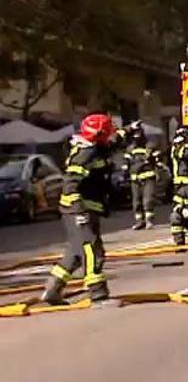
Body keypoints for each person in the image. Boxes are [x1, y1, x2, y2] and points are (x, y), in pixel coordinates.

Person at [41, 113, 132, 306]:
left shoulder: (95, 147)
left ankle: (53, 289)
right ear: (99, 134)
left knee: (76, 252)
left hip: (84, 209)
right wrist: (79, 211)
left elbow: (110, 145)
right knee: (92, 250)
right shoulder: (84, 155)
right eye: (108, 132)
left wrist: (128, 131)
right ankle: (98, 296)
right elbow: (71, 183)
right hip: (78, 209)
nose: (111, 135)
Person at [123, 122, 163, 230]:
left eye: (138, 134)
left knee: (148, 200)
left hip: (148, 177)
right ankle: (139, 221)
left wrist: (154, 162)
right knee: (136, 202)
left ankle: (149, 220)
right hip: (135, 179)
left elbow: (158, 161)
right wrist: (125, 172)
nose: (137, 136)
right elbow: (126, 163)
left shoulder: (150, 147)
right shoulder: (129, 149)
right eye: (135, 134)